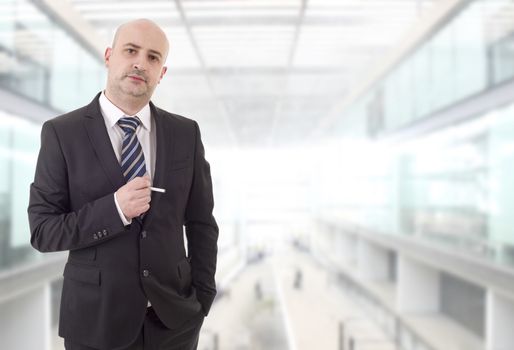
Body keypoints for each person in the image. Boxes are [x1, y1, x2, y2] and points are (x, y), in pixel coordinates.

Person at [27, 18, 218, 350]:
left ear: (162, 73)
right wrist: (114, 209)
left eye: (153, 57)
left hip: (174, 324)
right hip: (95, 324)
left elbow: (202, 224)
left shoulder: (186, 134)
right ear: (109, 56)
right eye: (131, 50)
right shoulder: (62, 134)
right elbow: (43, 230)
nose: (141, 63)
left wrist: (202, 299)